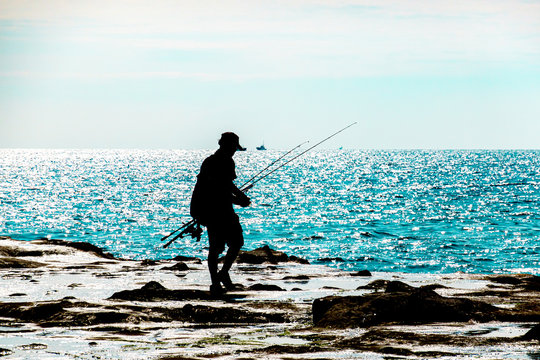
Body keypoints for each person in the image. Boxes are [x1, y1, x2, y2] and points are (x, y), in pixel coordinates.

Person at [190, 132, 251, 295]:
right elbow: (220, 188)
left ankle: (222, 275)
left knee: (235, 242)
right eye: (233, 147)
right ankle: (216, 281)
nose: (234, 151)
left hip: (219, 208)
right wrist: (240, 199)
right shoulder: (215, 162)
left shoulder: (219, 161)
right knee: (218, 247)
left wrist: (238, 197)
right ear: (225, 145)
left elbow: (226, 186)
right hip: (212, 211)